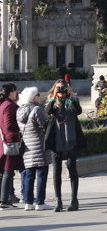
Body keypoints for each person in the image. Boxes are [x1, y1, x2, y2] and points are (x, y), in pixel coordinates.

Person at [44, 81, 86, 211]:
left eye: (63, 87)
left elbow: (78, 111)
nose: (61, 90)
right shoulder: (53, 101)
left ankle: (74, 200)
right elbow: (47, 111)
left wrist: (71, 97)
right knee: (56, 171)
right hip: (57, 139)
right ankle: (58, 201)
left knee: (72, 168)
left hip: (71, 139)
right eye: (59, 88)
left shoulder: (72, 99)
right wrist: (53, 98)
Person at [17, 87, 51, 210]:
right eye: (37, 95)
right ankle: (40, 202)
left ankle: (28, 202)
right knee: (42, 174)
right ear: (33, 97)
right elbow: (46, 125)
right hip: (39, 145)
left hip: (27, 146)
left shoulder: (19, 111)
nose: (39, 96)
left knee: (29, 175)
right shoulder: (37, 110)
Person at [0, 83, 23, 209]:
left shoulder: (4, 104)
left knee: (5, 171)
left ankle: (4, 199)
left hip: (5, 141)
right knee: (8, 171)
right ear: (11, 92)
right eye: (15, 91)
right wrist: (19, 130)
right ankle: (4, 201)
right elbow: (9, 125)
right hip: (10, 141)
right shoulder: (8, 105)